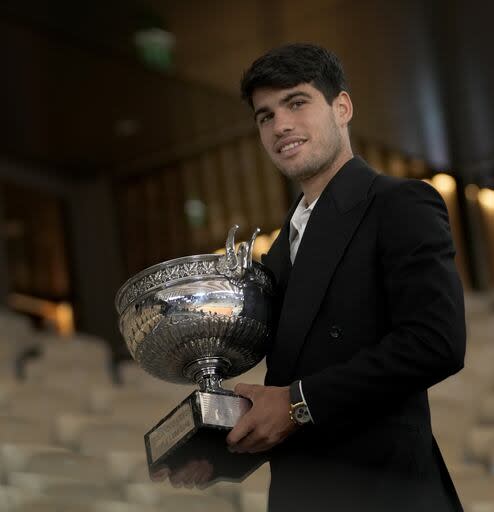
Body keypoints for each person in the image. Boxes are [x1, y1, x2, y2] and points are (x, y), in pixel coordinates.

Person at [158, 42, 466, 511]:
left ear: (341, 107)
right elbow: (287, 397)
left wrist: (298, 403)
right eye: (265, 116)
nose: (280, 125)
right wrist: (222, 445)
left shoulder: (400, 203)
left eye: (296, 102)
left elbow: (435, 342)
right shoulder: (277, 253)